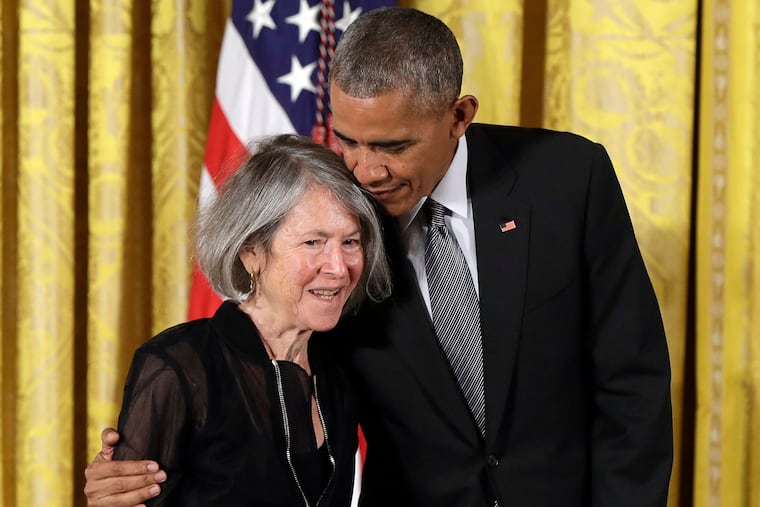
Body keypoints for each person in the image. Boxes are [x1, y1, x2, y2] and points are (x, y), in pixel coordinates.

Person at [85, 7, 673, 507]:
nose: (366, 171)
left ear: (458, 117)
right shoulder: (340, 216)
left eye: (393, 146)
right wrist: (139, 468)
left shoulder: (568, 179)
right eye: (349, 140)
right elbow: (262, 401)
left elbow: (632, 380)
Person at [84, 133, 392, 506]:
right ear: (251, 252)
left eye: (350, 242)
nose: (339, 268)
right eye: (313, 242)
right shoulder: (177, 366)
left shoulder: (343, 365)